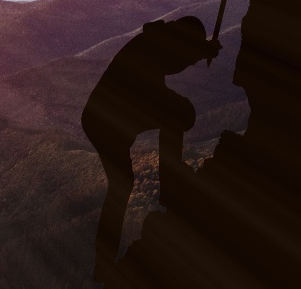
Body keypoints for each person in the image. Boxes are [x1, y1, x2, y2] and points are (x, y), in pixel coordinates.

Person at [81, 16, 220, 283]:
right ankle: (172, 188)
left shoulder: (153, 42)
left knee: (120, 189)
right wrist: (201, 51)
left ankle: (103, 264)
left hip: (105, 119)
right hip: (108, 121)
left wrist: (200, 50)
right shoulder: (152, 50)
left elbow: (172, 60)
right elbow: (171, 63)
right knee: (180, 114)